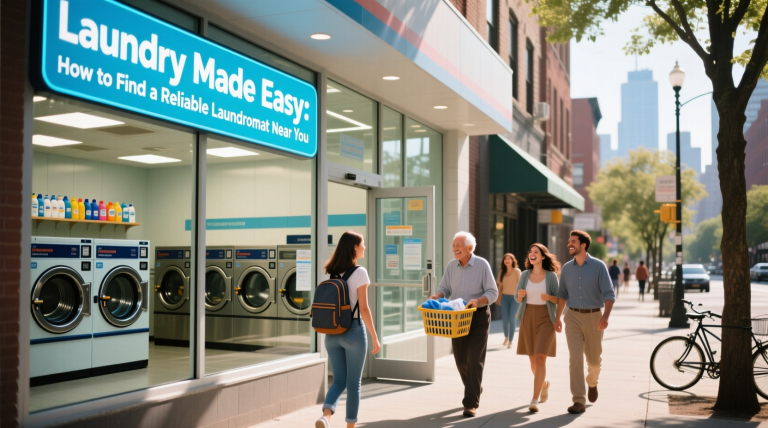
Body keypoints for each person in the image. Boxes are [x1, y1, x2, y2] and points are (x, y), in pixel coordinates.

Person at [316, 231, 381, 428]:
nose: (364, 247)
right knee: (353, 384)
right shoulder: (360, 272)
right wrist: (375, 336)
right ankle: (350, 426)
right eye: (362, 244)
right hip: (353, 331)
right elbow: (364, 309)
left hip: (331, 333)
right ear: (354, 247)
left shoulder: (332, 271)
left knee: (338, 380)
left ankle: (326, 417)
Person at [429, 231, 498, 417]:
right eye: (453, 245)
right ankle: (475, 386)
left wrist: (478, 301)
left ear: (470, 248)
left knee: (475, 359)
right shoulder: (451, 266)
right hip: (457, 319)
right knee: (461, 361)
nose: (455, 248)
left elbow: (493, 292)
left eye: (458, 245)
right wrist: (437, 295)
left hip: (478, 317)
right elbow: (444, 288)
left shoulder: (482, 265)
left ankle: (470, 403)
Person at [555, 230, 615, 414]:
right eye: (569, 241)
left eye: (573, 241)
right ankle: (578, 400)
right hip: (572, 316)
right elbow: (562, 295)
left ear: (583, 245)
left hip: (594, 317)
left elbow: (609, 294)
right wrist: (557, 318)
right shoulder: (567, 268)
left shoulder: (598, 266)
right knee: (575, 358)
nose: (569, 244)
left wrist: (605, 316)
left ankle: (592, 382)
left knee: (594, 361)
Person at [515, 243, 560, 412]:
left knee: (541, 357)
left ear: (542, 256)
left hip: (546, 318)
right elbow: (517, 297)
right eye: (530, 251)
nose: (532, 254)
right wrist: (520, 296)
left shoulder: (551, 276)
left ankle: (534, 399)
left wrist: (549, 297)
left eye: (536, 251)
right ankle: (545, 383)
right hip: (528, 317)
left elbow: (559, 299)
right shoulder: (525, 275)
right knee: (533, 361)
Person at [496, 253, 522, 348]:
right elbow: (500, 286)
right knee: (505, 320)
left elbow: (521, 284)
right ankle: (506, 337)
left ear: (512, 260)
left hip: (515, 299)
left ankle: (510, 341)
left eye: (509, 259)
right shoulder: (501, 272)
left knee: (512, 319)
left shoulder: (517, 271)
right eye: (505, 259)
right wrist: (498, 298)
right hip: (505, 298)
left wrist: (521, 297)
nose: (507, 260)